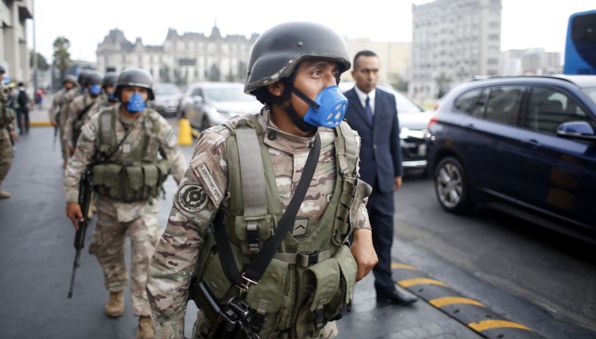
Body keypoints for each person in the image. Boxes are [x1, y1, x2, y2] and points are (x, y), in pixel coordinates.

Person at [147, 22, 378, 339]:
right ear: (276, 85)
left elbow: (352, 196)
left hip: (315, 324)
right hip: (239, 325)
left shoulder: (344, 141)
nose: (332, 86)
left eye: (335, 76)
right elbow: (176, 252)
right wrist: (167, 332)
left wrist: (363, 233)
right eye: (316, 74)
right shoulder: (224, 146)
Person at [64, 68, 187, 338]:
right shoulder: (100, 122)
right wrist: (72, 198)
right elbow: (78, 163)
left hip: (144, 206)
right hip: (108, 205)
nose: (136, 95)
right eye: (131, 89)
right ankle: (115, 291)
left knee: (146, 260)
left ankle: (144, 316)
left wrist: (191, 195)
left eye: (142, 91)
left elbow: (177, 161)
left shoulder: (156, 123)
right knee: (108, 253)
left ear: (149, 95)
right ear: (119, 92)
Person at [344, 50, 418, 306]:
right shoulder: (344, 101)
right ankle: (346, 294)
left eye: (375, 71)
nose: (371, 76)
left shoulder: (388, 99)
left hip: (384, 180)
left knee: (384, 237)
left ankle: (385, 288)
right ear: (354, 73)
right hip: (354, 186)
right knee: (348, 239)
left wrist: (397, 171)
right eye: (365, 71)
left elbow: (391, 138)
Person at [0, 62, 18, 204]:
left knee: (7, 159)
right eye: (0, 75)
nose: (2, 78)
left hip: (2, 131)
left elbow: (5, 112)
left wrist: (11, 129)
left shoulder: (0, 91)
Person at [64, 71, 103, 153]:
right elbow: (70, 122)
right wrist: (68, 140)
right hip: (81, 140)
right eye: (92, 84)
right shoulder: (77, 102)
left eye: (98, 84)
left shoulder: (105, 103)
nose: (96, 87)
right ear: (87, 86)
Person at [49, 74, 79, 167]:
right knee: (64, 141)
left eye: (70, 83)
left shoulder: (78, 93)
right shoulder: (60, 94)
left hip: (76, 120)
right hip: (64, 120)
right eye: (67, 83)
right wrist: (52, 119)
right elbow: (53, 107)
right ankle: (66, 159)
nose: (68, 85)